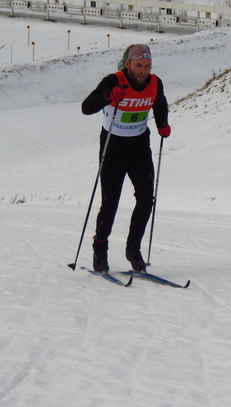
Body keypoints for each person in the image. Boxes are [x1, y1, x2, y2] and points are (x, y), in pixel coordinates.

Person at [81, 44, 171, 273]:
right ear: (128, 63)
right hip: (113, 148)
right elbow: (86, 108)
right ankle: (100, 249)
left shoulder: (155, 82)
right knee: (110, 203)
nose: (143, 71)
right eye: (139, 65)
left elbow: (160, 102)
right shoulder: (113, 81)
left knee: (146, 199)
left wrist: (162, 124)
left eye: (148, 66)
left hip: (139, 148)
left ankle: (133, 249)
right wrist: (108, 96)